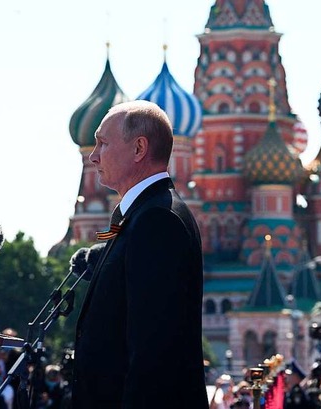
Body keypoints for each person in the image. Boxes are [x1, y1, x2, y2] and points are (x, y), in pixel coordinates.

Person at [71, 100, 208, 408]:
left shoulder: (157, 220)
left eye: (103, 143)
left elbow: (153, 351)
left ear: (139, 149)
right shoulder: (144, 213)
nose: (93, 156)